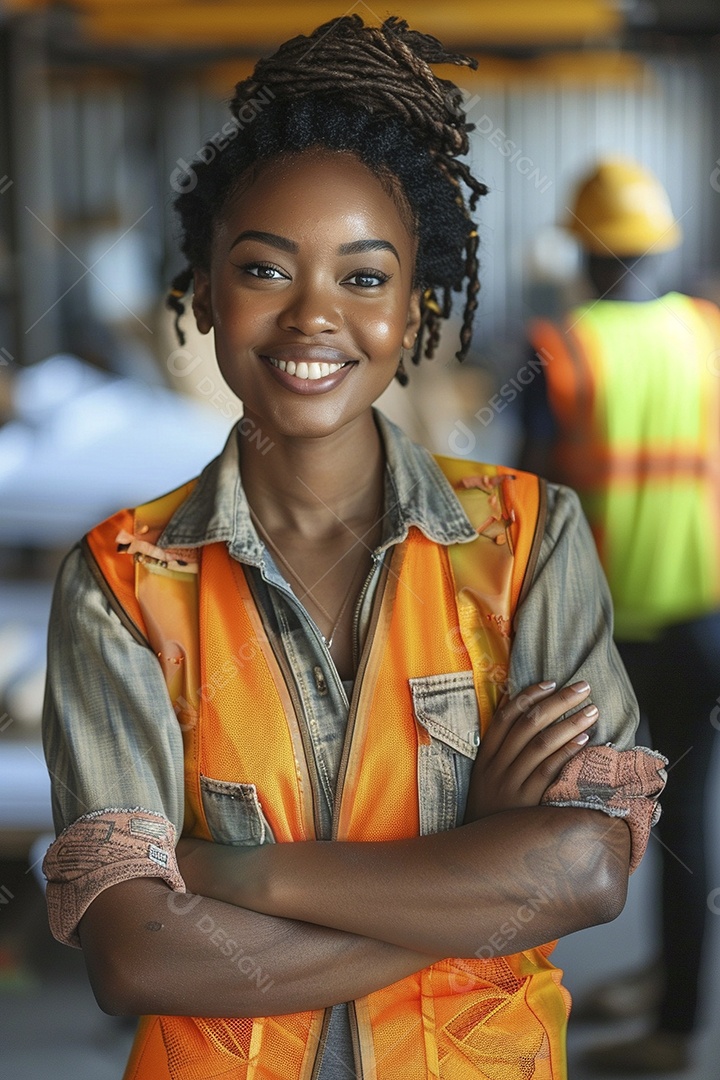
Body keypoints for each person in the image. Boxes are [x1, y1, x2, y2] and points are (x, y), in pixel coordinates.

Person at [41, 21, 666, 1080]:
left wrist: (233, 873)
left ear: (419, 298)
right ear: (204, 285)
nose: (314, 318)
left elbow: (586, 872)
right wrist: (477, 874)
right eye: (264, 269)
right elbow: (136, 953)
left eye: (364, 277)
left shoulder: (527, 541)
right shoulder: (123, 581)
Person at [521, 158, 720, 1073]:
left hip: (603, 634)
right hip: (708, 622)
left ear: (584, 250)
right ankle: (667, 996)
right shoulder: (710, 336)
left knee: (561, 818)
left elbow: (522, 507)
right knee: (684, 824)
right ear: (660, 246)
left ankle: (643, 1030)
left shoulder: (560, 348)